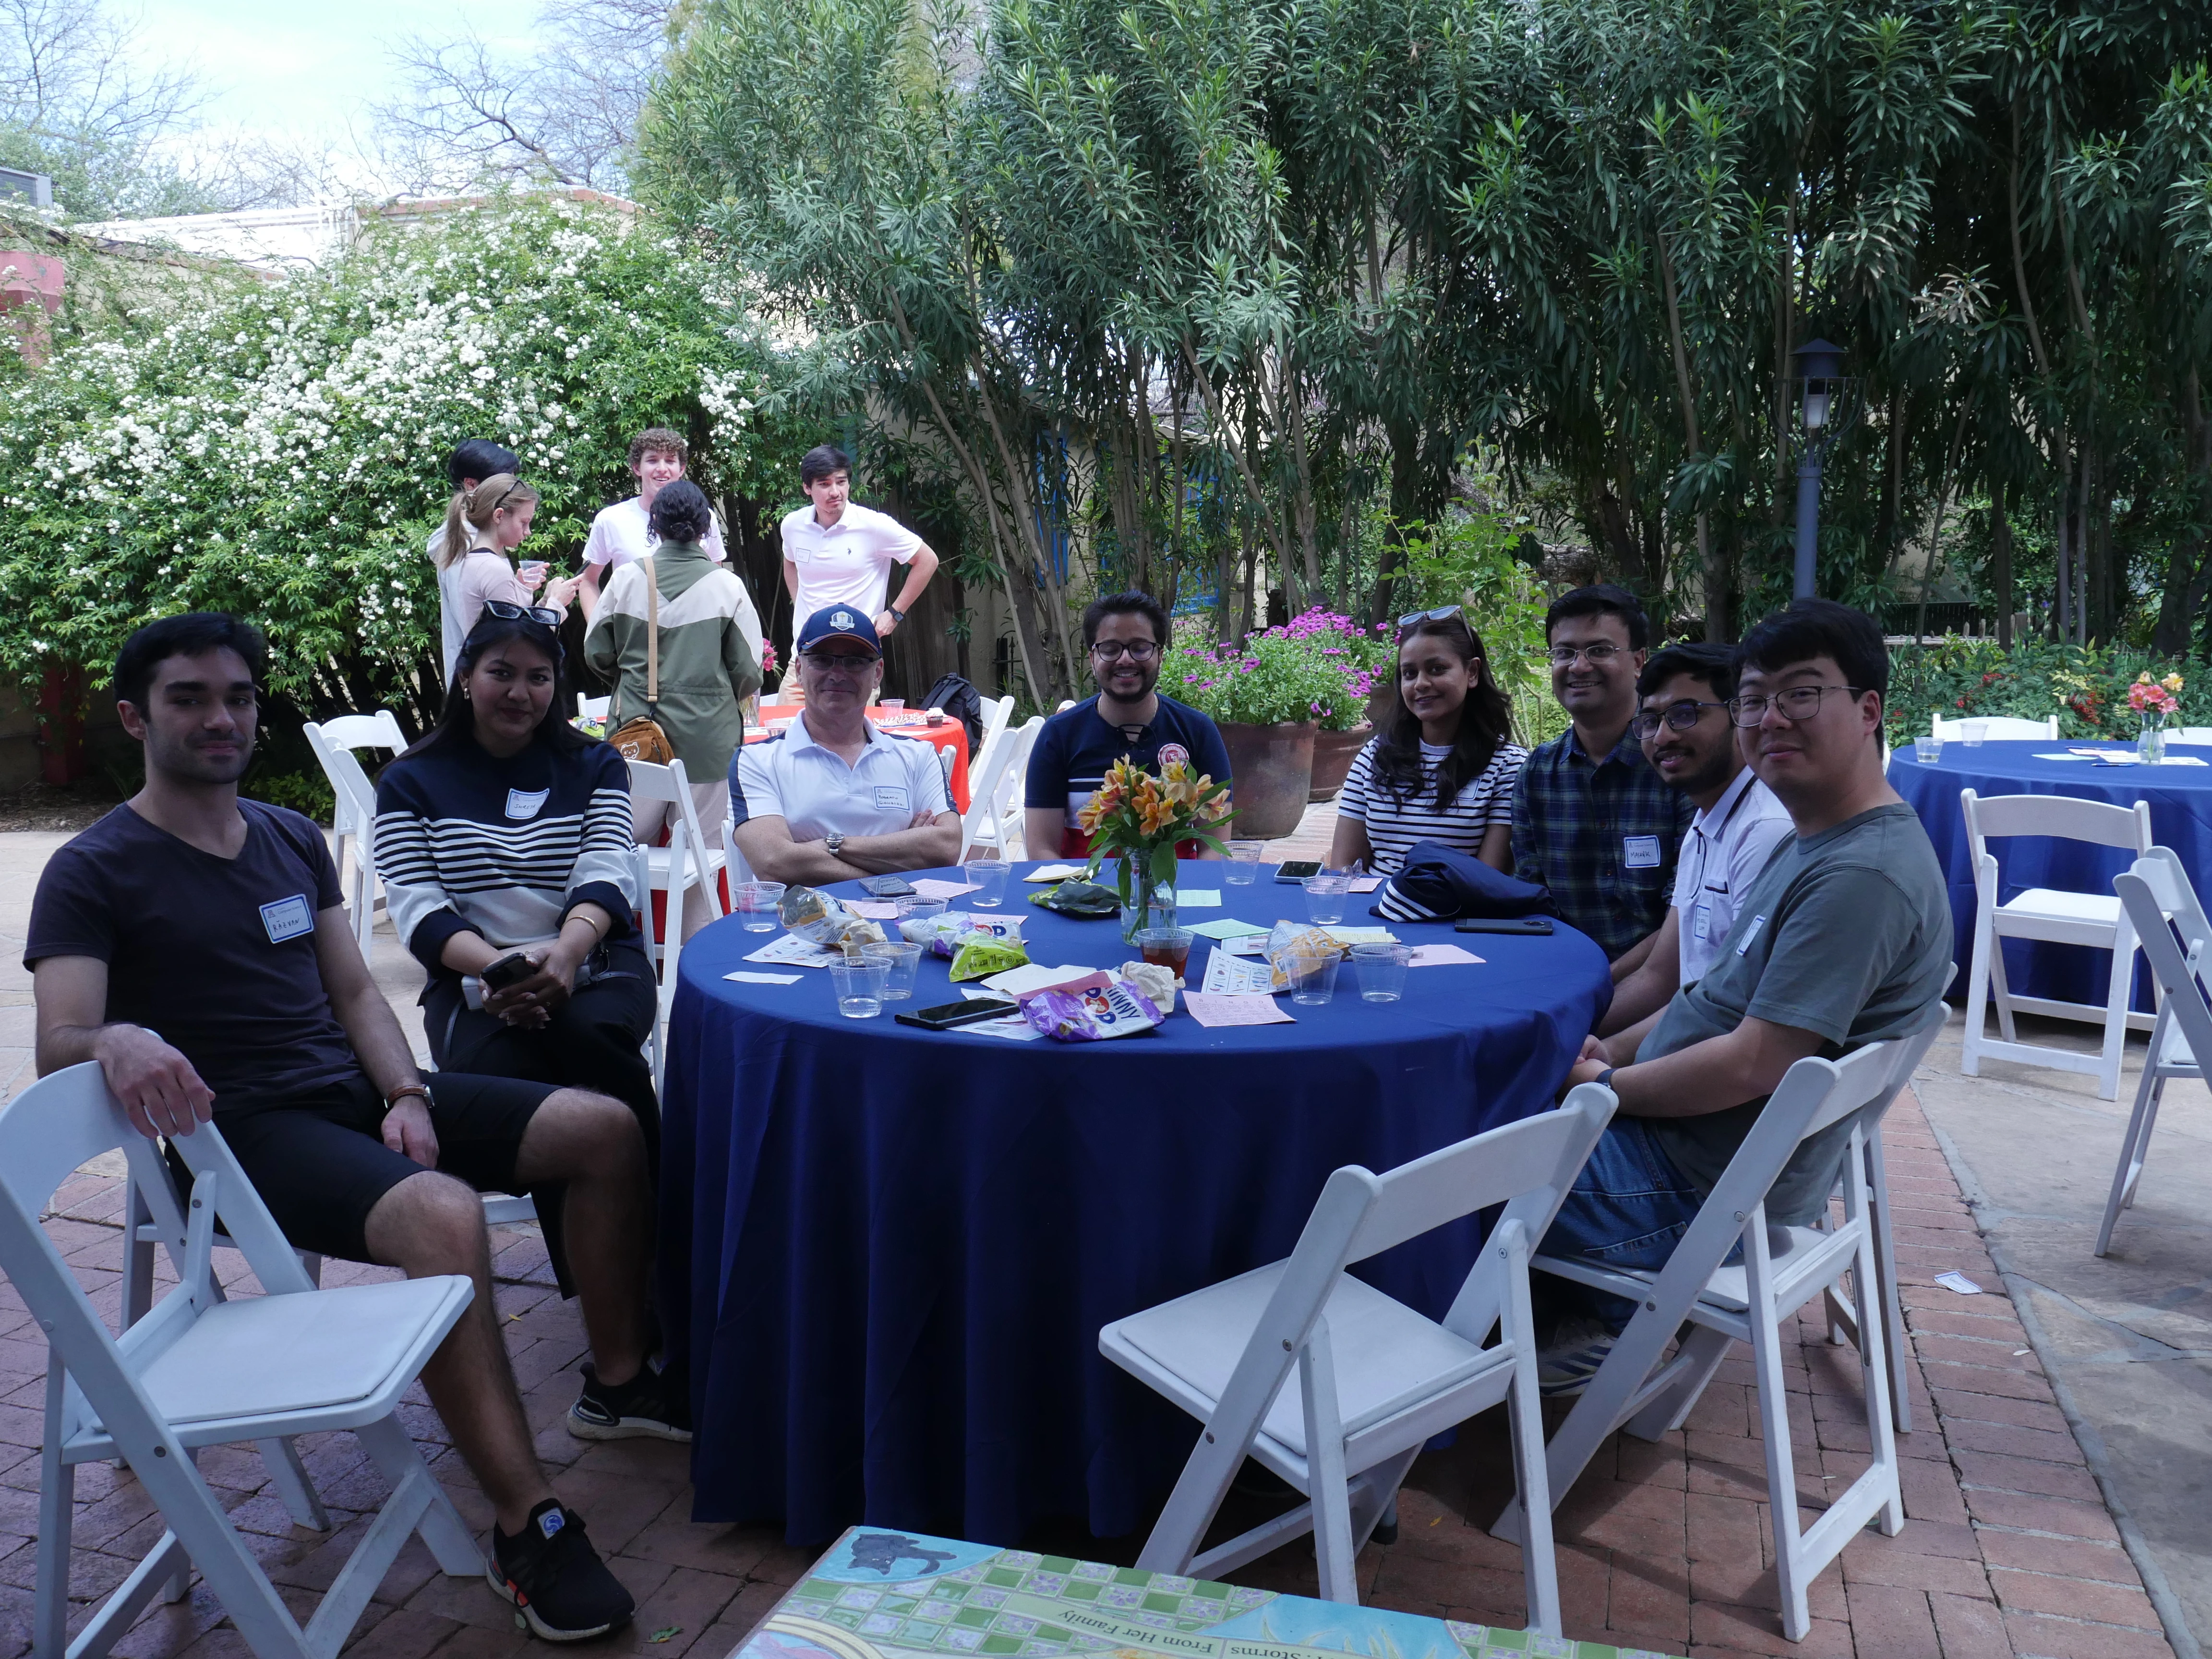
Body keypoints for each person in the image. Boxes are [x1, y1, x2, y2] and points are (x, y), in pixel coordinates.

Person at [26, 613, 671, 1641]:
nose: (221, 717)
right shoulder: (95, 870)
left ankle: (624, 1380)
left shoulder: (286, 836)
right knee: (439, 1214)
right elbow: (57, 1040)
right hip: (235, 1137)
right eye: (188, 698)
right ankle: (527, 1522)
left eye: (237, 697)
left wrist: (408, 1095)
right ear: (132, 717)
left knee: (602, 1128)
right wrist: (116, 1040)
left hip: (352, 1091)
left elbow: (358, 995)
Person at [1539, 599, 1950, 1391]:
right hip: (1690, 1159)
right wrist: (1611, 1049)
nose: (1772, 719)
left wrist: (1606, 1088)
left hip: (1695, 1195)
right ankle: (1562, 1324)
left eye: (1800, 694)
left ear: (1866, 711)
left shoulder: (1858, 875)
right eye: (1757, 700)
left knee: (1430, 1169)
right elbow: (1710, 995)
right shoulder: (1815, 841)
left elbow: (1751, 1063)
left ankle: (1385, 1395)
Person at [375, 609, 659, 1180]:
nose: (520, 692)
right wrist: (505, 971)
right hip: (471, 976)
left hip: (596, 961)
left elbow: (606, 872)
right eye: (501, 672)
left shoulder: (594, 763)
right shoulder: (410, 781)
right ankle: (642, 1226)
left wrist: (566, 955)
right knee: (511, 1069)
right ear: (464, 676)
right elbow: (420, 908)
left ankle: (659, 1213)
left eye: (539, 677)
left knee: (588, 1034)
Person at [584, 480, 765, 940]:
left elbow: (595, 652)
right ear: (706, 529)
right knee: (700, 853)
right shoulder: (728, 587)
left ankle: (618, 945)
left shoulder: (626, 579)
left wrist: (634, 684)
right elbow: (748, 672)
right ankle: (694, 958)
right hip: (708, 743)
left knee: (621, 848)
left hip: (635, 739)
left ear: (654, 526)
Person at [1600, 643, 1795, 1036]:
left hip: (1715, 1063)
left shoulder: (1765, 830)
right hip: (1685, 1038)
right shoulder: (1707, 821)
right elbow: (1661, 974)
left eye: (1684, 714)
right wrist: (1566, 1032)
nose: (1663, 737)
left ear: (1739, 715)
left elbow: (1736, 1009)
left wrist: (1608, 1057)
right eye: (1650, 722)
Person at [1510, 583, 1694, 962]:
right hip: (1561, 972)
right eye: (1565, 653)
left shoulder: (1677, 763)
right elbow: (1533, 906)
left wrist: (1593, 996)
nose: (1579, 666)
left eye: (1599, 650)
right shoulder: (1537, 774)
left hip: (1667, 983)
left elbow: (1685, 921)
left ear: (1639, 661)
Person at [732, 606, 959, 883]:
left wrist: (830, 844)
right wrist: (900, 855)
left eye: (855, 662)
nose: (838, 674)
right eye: (823, 660)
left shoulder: (919, 755)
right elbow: (774, 862)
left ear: (877, 673)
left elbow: (946, 848)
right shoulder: (757, 760)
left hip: (904, 919)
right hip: (802, 923)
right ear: (800, 670)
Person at [1023, 591, 1233, 860]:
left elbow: (1215, 850)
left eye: (1140, 647)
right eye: (1110, 649)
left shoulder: (1198, 731)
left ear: (1160, 655)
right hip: (1082, 892)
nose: (1125, 659)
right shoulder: (1059, 735)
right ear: (1092, 659)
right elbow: (1042, 850)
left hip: (1176, 894)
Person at [1329, 607, 1526, 876]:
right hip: (1373, 912)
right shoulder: (1374, 757)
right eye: (1409, 673)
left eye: (1437, 669)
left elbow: (1488, 882)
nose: (1421, 683)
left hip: (1456, 915)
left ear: (1472, 672)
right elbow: (1345, 869)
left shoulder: (1508, 767)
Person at [779, 445, 940, 644]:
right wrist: (799, 605)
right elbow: (790, 561)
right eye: (825, 484)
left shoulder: (873, 525)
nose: (835, 492)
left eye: (841, 482)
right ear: (807, 488)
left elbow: (928, 560)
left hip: (858, 654)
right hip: (805, 651)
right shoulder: (793, 525)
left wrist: (894, 614)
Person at [574, 426, 729, 623]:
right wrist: (599, 635)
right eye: (653, 460)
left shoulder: (704, 517)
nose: (662, 468)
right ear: (637, 468)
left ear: (681, 469)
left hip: (691, 635)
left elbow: (715, 580)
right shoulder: (611, 519)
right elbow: (588, 580)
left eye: (670, 460)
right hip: (632, 638)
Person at [438, 474, 578, 683]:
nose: (528, 532)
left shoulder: (469, 561)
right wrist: (557, 605)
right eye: (524, 522)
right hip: (505, 687)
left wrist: (543, 600)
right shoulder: (494, 569)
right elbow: (520, 648)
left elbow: (514, 626)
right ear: (499, 516)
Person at [430, 439, 521, 682]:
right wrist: (551, 605)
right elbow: (488, 631)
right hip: (486, 685)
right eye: (504, 485)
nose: (514, 493)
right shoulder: (466, 547)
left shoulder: (475, 537)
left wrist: (519, 590)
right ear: (471, 484)